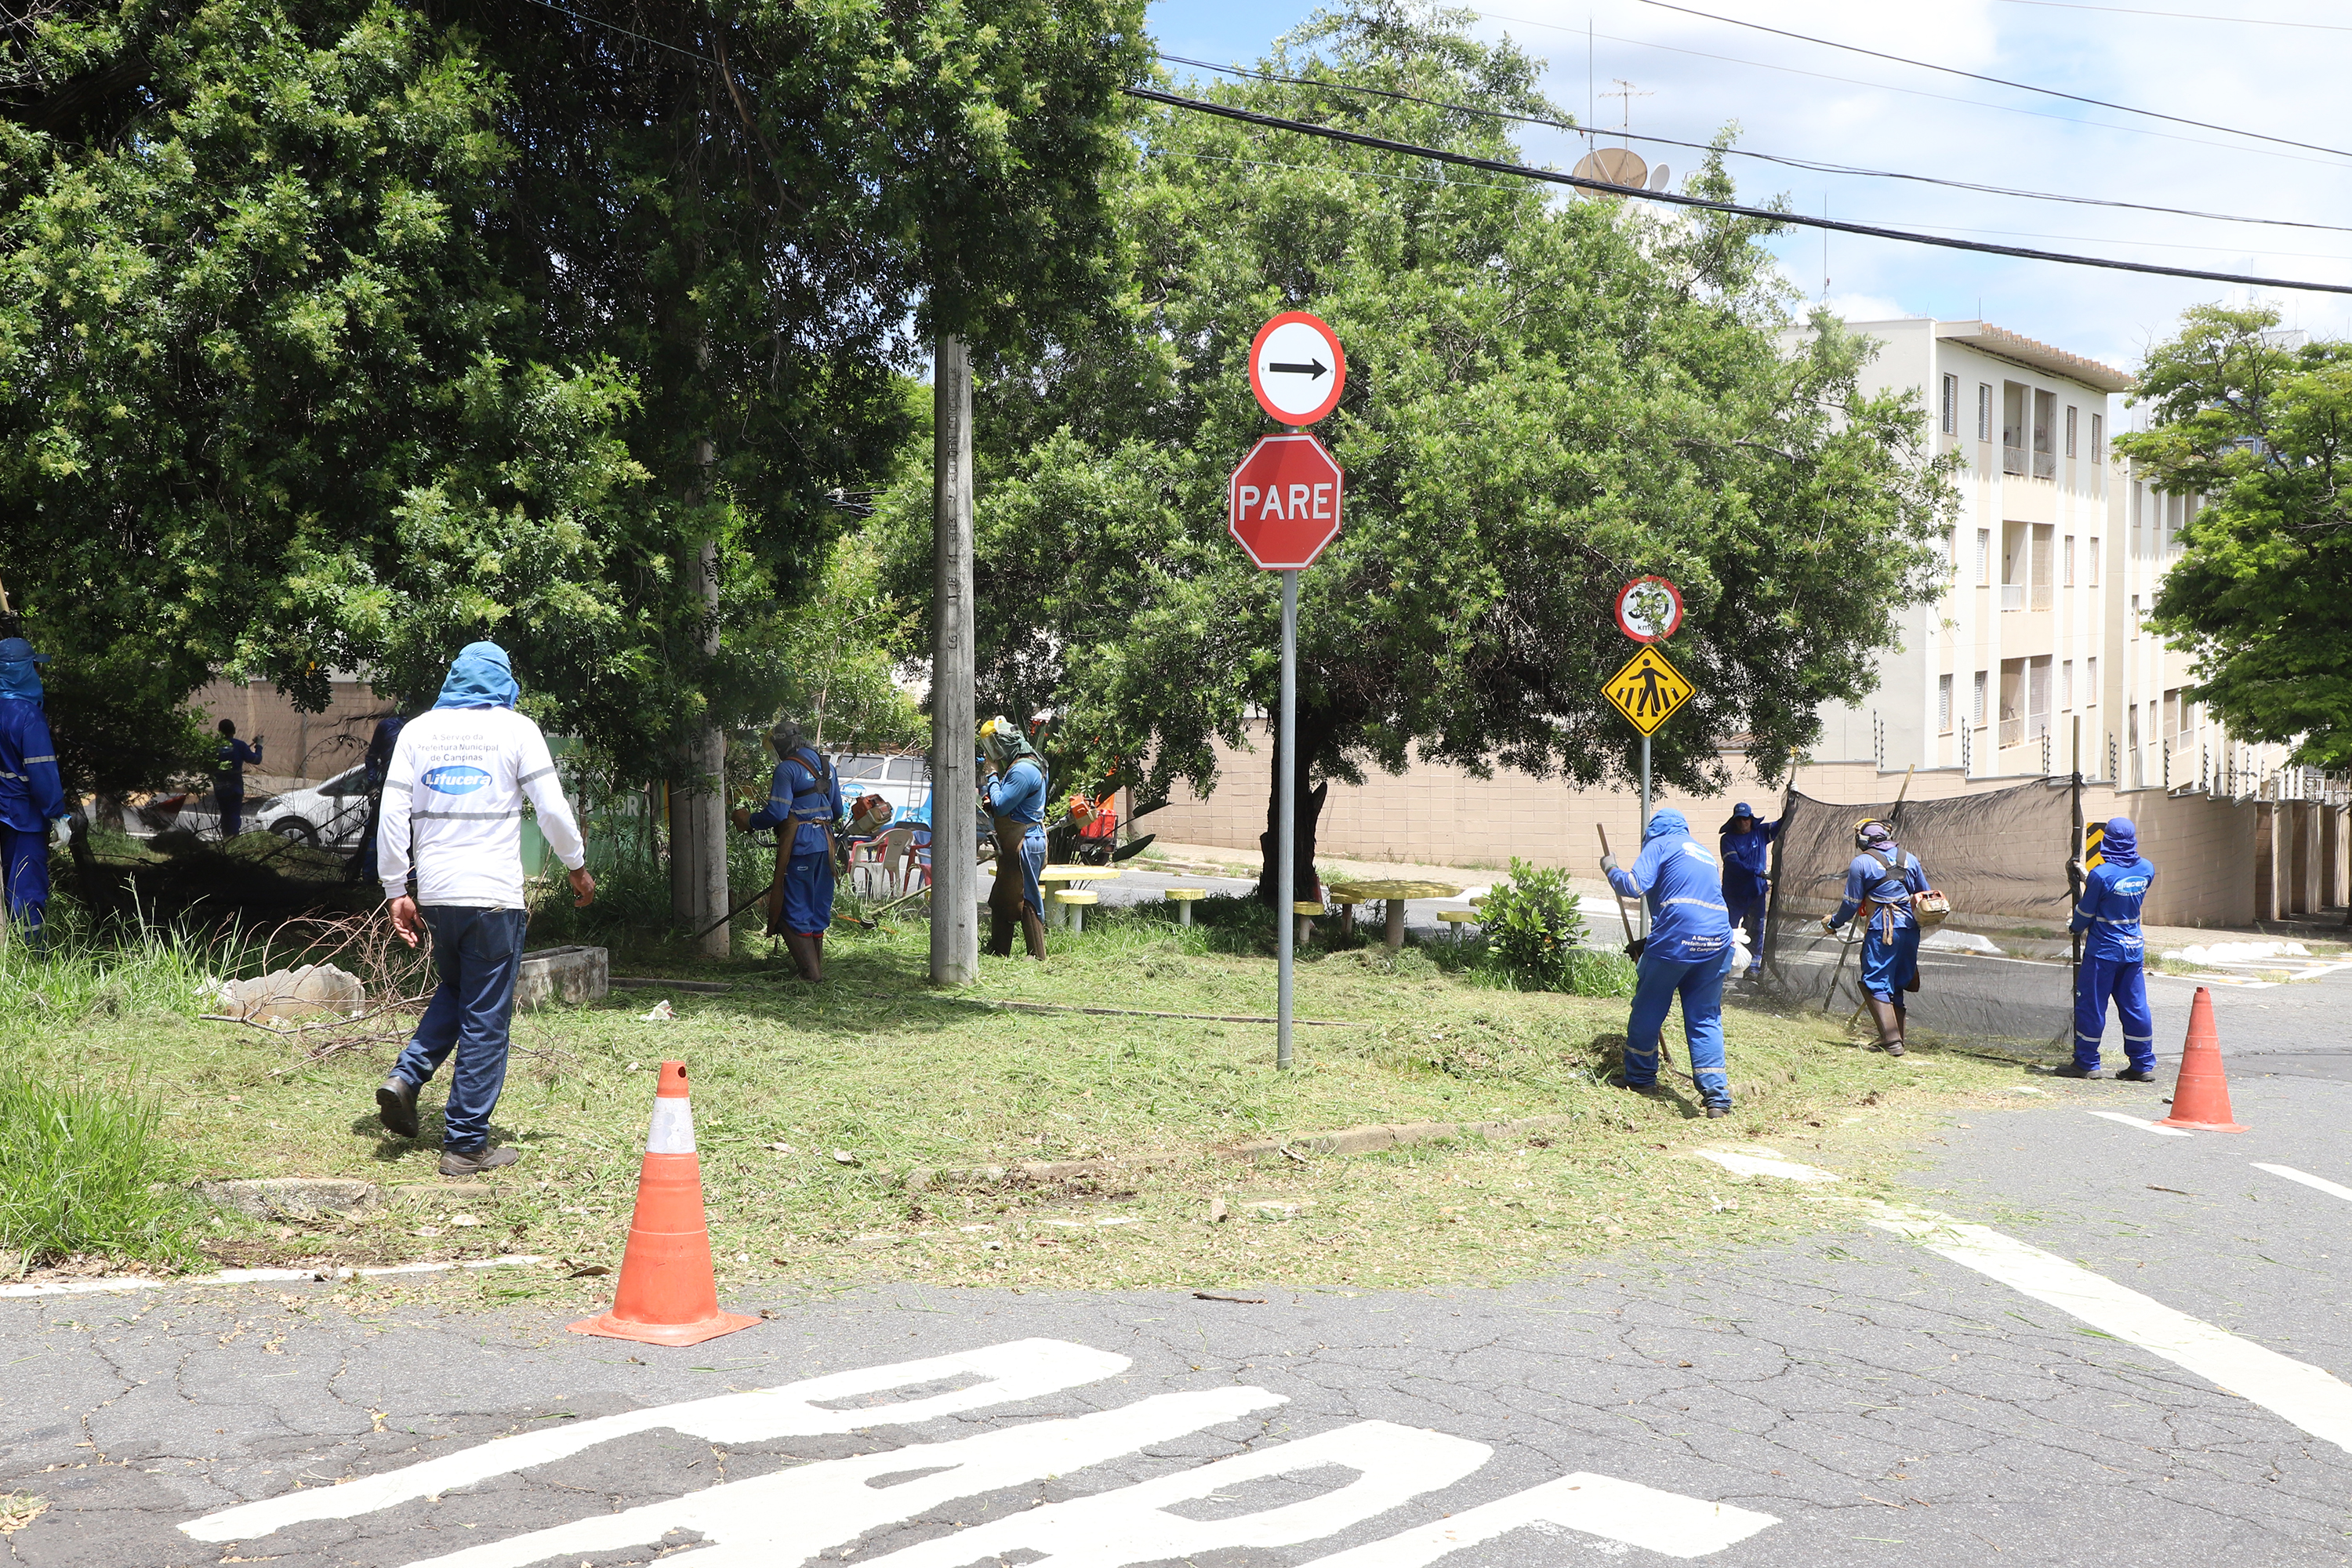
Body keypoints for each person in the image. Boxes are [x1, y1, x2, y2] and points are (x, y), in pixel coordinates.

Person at [373, 642, 593, 1177]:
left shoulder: (419, 731)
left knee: (456, 989)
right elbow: (552, 809)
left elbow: (393, 808)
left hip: (440, 894)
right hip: (493, 895)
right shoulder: (517, 730)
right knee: (487, 1018)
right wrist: (576, 865)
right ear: (503, 682)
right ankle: (466, 1144)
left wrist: (394, 887)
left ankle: (406, 1077)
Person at [1602, 808, 1735, 1117]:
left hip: (1677, 939)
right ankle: (1717, 1098)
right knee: (1705, 1017)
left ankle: (1641, 1078)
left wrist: (1611, 869)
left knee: (1649, 1005)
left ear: (1653, 832)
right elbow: (1694, 908)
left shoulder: (1660, 844)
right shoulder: (1702, 852)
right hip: (1717, 940)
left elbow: (1633, 886)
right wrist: (1650, 944)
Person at [732, 717, 846, 982]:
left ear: (781, 746)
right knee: (817, 909)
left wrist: (749, 821)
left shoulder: (787, 769)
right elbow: (838, 811)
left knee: (792, 908)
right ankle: (816, 972)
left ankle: (810, 975)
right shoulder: (827, 767)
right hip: (826, 845)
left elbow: (777, 812)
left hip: (801, 845)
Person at [1821, 818, 1929, 1058]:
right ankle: (1896, 1037)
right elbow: (1924, 893)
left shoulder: (1861, 863)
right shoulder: (1909, 858)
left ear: (1862, 841)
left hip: (1883, 928)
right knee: (1899, 980)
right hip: (1910, 928)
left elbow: (1850, 905)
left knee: (1876, 979)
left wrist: (1833, 923)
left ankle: (1891, 1042)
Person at [2064, 816, 2157, 1082]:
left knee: (2091, 1006)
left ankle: (2087, 1063)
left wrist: (2074, 927)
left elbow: (2086, 911)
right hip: (2133, 949)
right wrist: (2089, 878)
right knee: (2135, 1006)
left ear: (2108, 842)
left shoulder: (2102, 875)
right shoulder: (2147, 869)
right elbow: (2120, 890)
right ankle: (2142, 1064)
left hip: (2103, 952)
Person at [0, 637, 71, 953]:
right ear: (23, 671)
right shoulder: (27, 716)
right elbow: (42, 773)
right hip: (24, 817)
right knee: (26, 888)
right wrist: (58, 814)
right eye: (35, 667)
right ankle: (31, 955)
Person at [979, 715, 1049, 960]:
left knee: (1026, 895)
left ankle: (1037, 954)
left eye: (993, 747)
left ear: (1004, 744)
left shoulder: (1022, 770)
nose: (992, 754)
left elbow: (1000, 806)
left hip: (1025, 842)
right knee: (1003, 895)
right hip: (1017, 840)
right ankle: (999, 950)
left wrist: (991, 775)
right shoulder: (1029, 763)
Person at [1718, 801, 1780, 979]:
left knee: (1757, 928)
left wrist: (1792, 800)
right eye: (1739, 820)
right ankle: (1724, 965)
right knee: (1729, 929)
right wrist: (1759, 872)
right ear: (1734, 821)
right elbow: (1734, 865)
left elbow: (1784, 822)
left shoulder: (1760, 833)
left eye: (1745, 819)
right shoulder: (1728, 839)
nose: (1742, 823)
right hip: (1734, 894)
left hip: (1756, 893)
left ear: (1751, 820)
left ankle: (1753, 966)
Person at [347, 712, 405, 884]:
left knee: (412, 832)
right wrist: (374, 785)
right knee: (375, 831)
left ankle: (411, 878)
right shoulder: (388, 726)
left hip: (416, 788)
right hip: (387, 788)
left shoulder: (425, 724)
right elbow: (372, 757)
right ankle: (369, 877)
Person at [213, 719, 264, 838]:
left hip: (219, 787)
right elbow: (256, 760)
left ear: (219, 731)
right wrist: (259, 746)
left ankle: (226, 838)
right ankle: (233, 839)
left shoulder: (213, 746)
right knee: (234, 814)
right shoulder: (239, 745)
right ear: (234, 731)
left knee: (225, 814)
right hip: (235, 787)